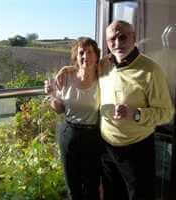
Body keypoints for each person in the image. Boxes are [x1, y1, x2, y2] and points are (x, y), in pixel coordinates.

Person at [56, 20, 175, 200]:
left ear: (134, 38)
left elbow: (166, 113)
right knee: (112, 195)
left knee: (140, 195)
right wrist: (66, 70)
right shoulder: (105, 65)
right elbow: (84, 65)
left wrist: (135, 113)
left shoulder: (151, 70)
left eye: (123, 37)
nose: (118, 43)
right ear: (107, 43)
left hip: (137, 149)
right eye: (112, 39)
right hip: (106, 149)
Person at [44, 37, 103, 200]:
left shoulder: (103, 77)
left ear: (96, 55)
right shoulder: (67, 77)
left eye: (89, 52)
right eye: (81, 53)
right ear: (76, 57)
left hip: (93, 136)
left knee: (92, 186)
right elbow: (60, 109)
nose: (85, 56)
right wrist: (51, 95)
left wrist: (65, 67)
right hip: (69, 134)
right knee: (73, 186)